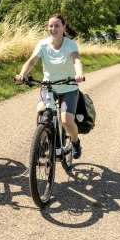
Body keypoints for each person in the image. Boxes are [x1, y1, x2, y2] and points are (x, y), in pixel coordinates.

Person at [15, 14, 85, 159]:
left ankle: (75, 141)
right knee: (41, 112)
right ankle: (42, 142)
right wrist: (22, 74)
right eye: (50, 26)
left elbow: (76, 60)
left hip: (69, 87)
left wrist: (79, 74)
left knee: (66, 119)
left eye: (57, 25)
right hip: (49, 87)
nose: (53, 29)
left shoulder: (70, 44)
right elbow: (32, 61)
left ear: (64, 27)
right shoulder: (43, 44)